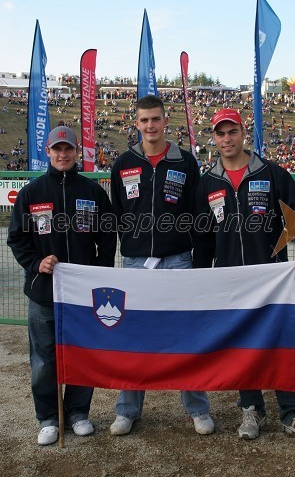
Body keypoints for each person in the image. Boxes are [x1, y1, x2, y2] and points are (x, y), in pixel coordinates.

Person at [193, 108, 295, 444]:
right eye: (220, 134)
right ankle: (251, 407)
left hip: (270, 277)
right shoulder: (208, 182)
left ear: (242, 132)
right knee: (241, 345)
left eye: (231, 132)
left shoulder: (272, 172)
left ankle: (293, 411)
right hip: (230, 280)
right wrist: (199, 277)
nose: (226, 139)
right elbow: (204, 237)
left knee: (280, 344)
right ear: (214, 138)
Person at [110, 95, 213, 436]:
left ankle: (197, 408)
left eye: (155, 119)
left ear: (165, 121)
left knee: (186, 335)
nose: (150, 126)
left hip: (178, 260)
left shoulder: (185, 162)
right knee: (132, 336)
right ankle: (127, 411)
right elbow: (118, 213)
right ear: (136, 123)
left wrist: (199, 263)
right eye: (144, 120)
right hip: (137, 262)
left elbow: (199, 215)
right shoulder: (123, 162)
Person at [7, 126, 117, 446]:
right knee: (44, 358)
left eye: (68, 149)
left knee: (82, 355)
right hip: (43, 292)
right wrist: (35, 263)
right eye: (57, 149)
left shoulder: (93, 192)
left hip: (82, 295)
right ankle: (48, 417)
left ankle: (77, 413)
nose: (63, 154)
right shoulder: (32, 192)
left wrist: (98, 272)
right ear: (48, 151)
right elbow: (17, 237)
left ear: (76, 152)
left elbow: (107, 237)